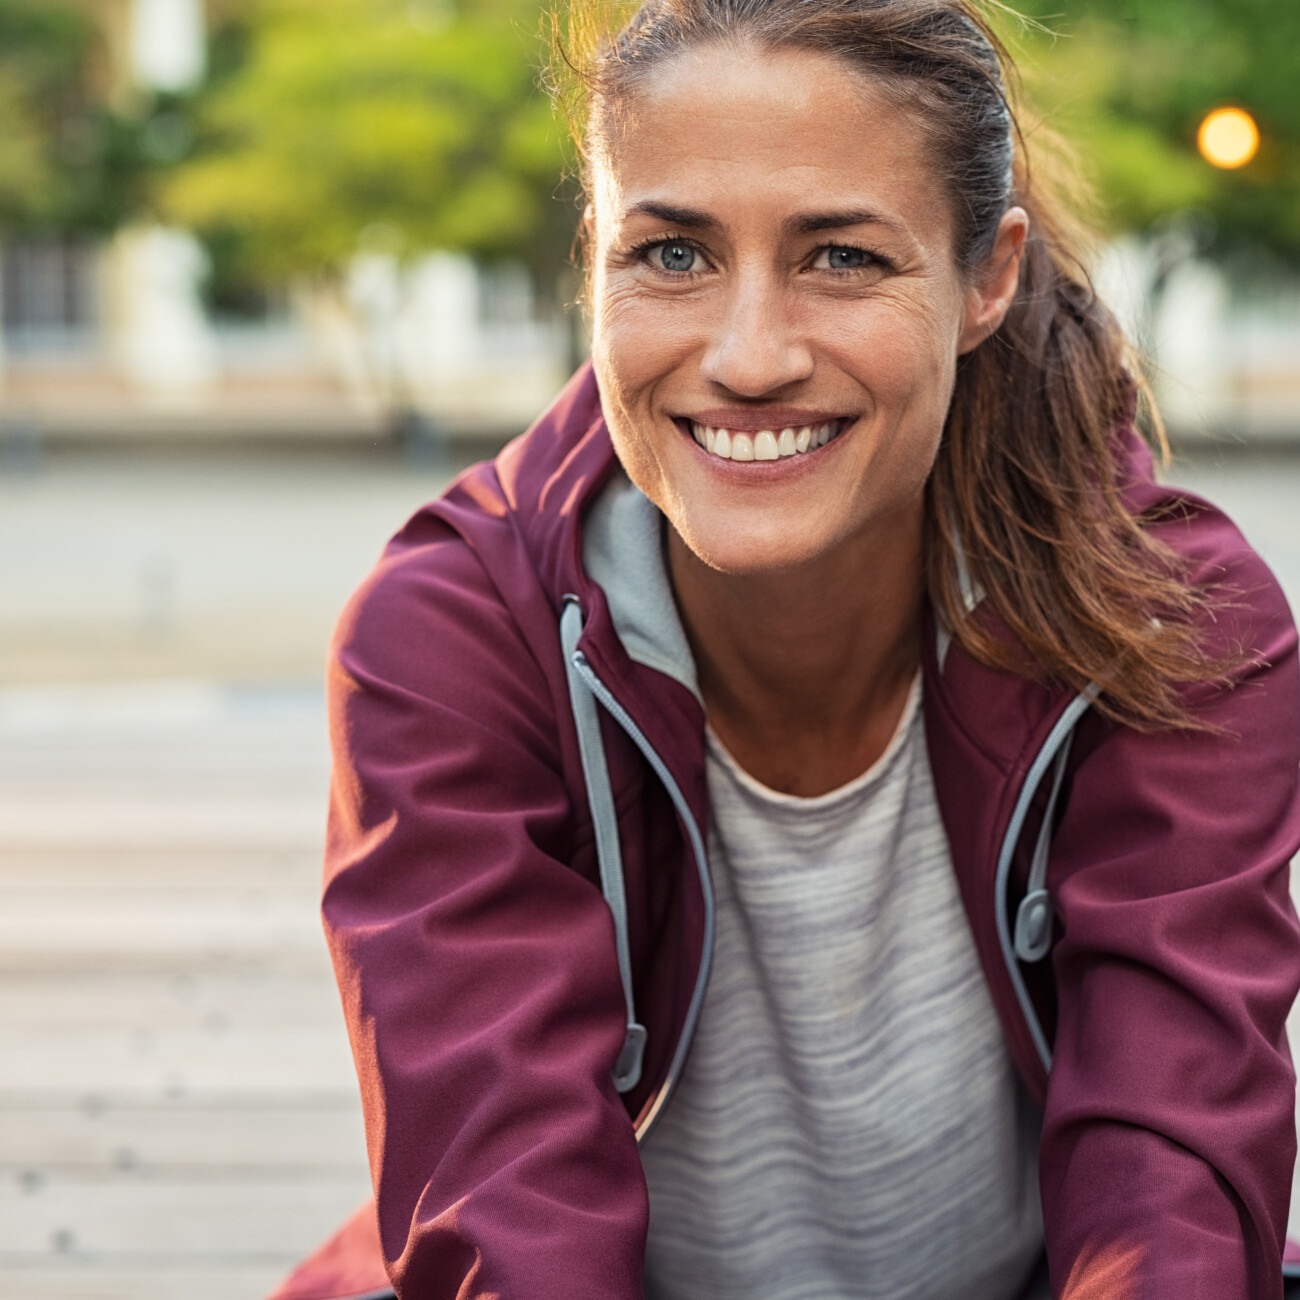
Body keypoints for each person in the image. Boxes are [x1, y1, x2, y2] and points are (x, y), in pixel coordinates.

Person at [292, 1, 1300, 1297]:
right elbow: (500, 1214)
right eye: (671, 256)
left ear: (986, 276)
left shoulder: (1175, 620)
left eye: (840, 259)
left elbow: (1170, 1190)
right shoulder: (449, 637)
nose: (749, 356)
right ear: (594, 258)